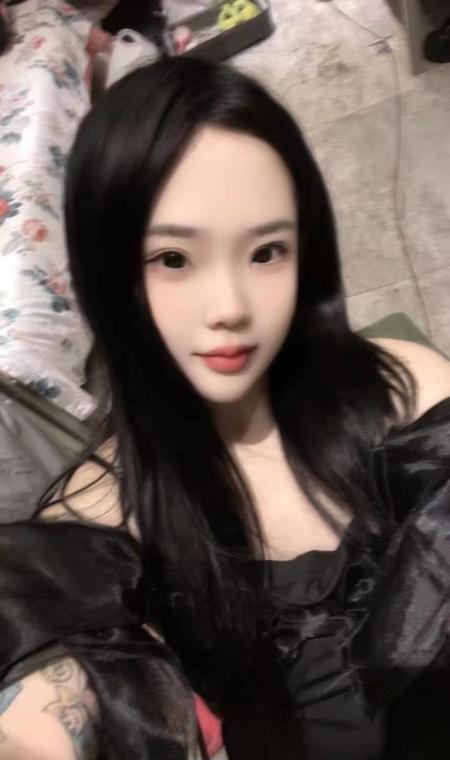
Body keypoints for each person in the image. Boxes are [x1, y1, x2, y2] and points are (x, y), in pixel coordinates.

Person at [0, 57, 449, 760]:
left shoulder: (406, 390)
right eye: (174, 259)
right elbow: (47, 699)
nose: (231, 308)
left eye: (266, 251)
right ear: (109, 275)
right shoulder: (99, 519)